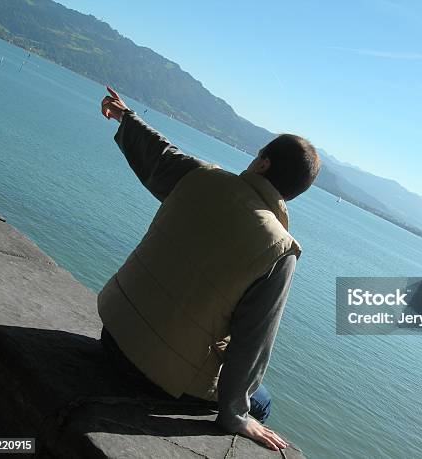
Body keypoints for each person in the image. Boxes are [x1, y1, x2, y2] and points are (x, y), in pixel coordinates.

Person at [97, 87, 320, 450]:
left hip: (113, 333)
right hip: (151, 378)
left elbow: (160, 155)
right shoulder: (281, 250)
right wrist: (235, 414)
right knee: (261, 401)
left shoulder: (199, 177)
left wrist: (128, 117)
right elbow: (252, 341)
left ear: (262, 163)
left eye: (257, 155)